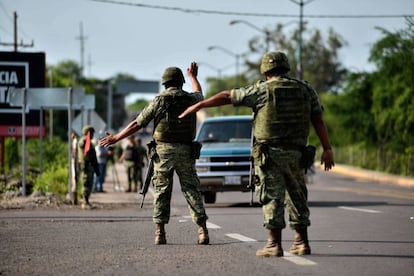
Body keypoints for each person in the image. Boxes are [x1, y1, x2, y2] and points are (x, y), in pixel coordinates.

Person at [179, 52, 335, 256]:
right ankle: (301, 241)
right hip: (298, 154)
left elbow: (228, 96)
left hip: (270, 154)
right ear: (286, 68)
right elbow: (318, 120)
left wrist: (200, 104)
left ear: (266, 71)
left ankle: (273, 244)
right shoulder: (305, 90)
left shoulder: (262, 90)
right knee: (297, 196)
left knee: (272, 196)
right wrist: (327, 148)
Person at [100, 62, 209, 245]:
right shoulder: (191, 99)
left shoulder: (159, 101)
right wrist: (193, 77)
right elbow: (200, 94)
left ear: (164, 84)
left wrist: (116, 138)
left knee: (161, 192)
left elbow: (137, 123)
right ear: (181, 82)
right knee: (192, 191)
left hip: (163, 152)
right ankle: (202, 231)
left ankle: (160, 233)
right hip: (185, 151)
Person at [77, 125, 100, 209]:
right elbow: (82, 144)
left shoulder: (90, 143)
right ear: (88, 133)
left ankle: (87, 201)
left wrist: (96, 168)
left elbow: (93, 157)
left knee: (89, 184)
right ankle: (84, 202)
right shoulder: (84, 141)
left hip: (90, 167)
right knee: (86, 184)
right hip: (85, 167)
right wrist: (86, 138)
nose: (93, 135)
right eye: (91, 133)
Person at [70, 131, 79, 205]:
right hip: (74, 162)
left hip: (75, 163)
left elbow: (75, 152)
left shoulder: (75, 141)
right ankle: (74, 199)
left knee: (74, 180)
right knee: (73, 181)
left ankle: (74, 200)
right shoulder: (74, 141)